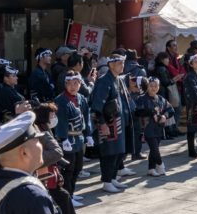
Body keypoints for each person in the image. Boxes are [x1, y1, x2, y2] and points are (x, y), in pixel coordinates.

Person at [32, 104, 86, 214]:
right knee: (62, 197)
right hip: (44, 171)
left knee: (62, 197)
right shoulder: (39, 130)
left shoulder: (45, 128)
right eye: (51, 115)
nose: (53, 117)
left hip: (51, 170)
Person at [90, 51, 133, 194]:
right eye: (119, 63)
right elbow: (97, 106)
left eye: (123, 63)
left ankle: (113, 177)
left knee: (118, 152)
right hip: (108, 122)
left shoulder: (118, 79)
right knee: (109, 152)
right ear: (111, 65)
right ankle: (107, 181)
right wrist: (102, 123)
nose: (122, 66)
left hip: (119, 120)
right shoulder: (104, 80)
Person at [53, 72, 90, 203]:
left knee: (78, 168)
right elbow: (61, 121)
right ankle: (66, 197)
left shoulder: (81, 98)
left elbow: (86, 117)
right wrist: (63, 139)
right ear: (65, 84)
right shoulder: (60, 100)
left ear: (80, 84)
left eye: (76, 83)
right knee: (68, 169)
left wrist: (88, 134)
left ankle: (72, 193)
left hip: (79, 139)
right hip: (68, 139)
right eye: (69, 83)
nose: (72, 86)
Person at [134, 76, 170, 177]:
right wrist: (151, 113)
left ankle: (151, 168)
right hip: (147, 128)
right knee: (154, 148)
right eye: (151, 86)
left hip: (158, 128)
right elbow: (138, 111)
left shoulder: (161, 99)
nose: (153, 88)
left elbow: (170, 110)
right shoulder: (141, 98)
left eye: (156, 86)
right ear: (147, 87)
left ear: (158, 87)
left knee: (154, 149)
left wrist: (164, 116)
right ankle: (160, 165)